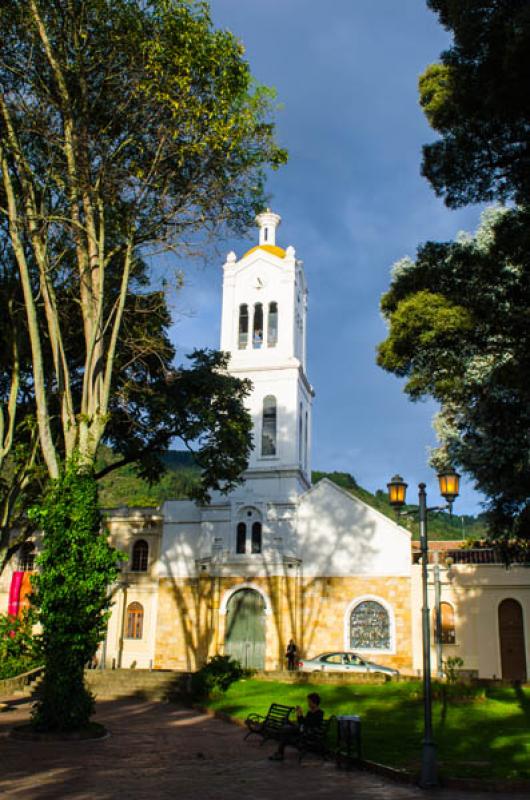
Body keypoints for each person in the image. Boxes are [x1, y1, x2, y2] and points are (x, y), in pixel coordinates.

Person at [269, 693, 324, 761]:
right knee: (285, 732)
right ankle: (280, 753)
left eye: (309, 702)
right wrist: (299, 713)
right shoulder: (310, 712)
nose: (308, 704)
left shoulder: (319, 713)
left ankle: (280, 754)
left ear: (314, 702)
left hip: (309, 733)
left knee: (285, 731)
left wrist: (302, 724)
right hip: (303, 730)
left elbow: (311, 724)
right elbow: (302, 722)